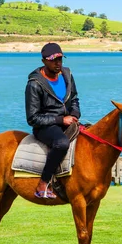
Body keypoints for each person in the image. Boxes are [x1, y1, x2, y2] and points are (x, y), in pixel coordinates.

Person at [25, 42, 80, 199]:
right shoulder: (34, 84)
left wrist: (75, 113)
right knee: (62, 143)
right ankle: (43, 184)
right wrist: (61, 120)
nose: (58, 63)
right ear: (44, 61)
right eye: (53, 60)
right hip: (45, 126)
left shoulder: (67, 75)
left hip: (68, 120)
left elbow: (74, 98)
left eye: (60, 59)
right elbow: (32, 118)